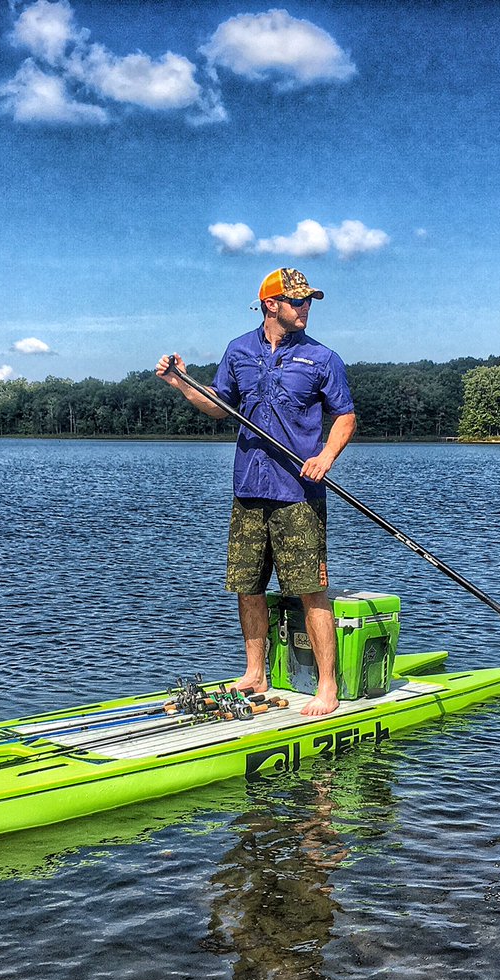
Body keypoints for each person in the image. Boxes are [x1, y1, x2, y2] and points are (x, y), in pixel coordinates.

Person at [156, 268, 356, 716]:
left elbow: (345, 417)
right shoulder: (238, 351)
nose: (306, 308)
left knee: (309, 590)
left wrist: (325, 457)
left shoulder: (323, 358)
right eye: (297, 301)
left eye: (308, 301)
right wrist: (181, 384)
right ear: (271, 305)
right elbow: (217, 406)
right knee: (248, 586)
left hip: (299, 491)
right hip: (248, 486)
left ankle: (328, 687)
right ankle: (255, 673)